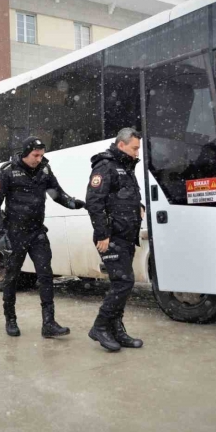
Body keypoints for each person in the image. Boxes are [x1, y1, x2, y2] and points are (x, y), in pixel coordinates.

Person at [0, 136, 85, 337]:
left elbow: (57, 194)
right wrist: (0, 233)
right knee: (12, 278)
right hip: (14, 233)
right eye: (35, 155)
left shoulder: (44, 170)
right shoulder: (7, 172)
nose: (39, 158)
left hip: (37, 232)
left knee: (45, 275)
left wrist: (74, 203)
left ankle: (48, 323)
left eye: (42, 155)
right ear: (25, 153)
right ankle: (11, 319)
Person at [85, 128, 145, 352]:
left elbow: (123, 196)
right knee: (124, 282)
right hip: (111, 237)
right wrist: (102, 234)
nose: (137, 152)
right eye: (135, 148)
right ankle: (100, 327)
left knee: (122, 283)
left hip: (126, 235)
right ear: (121, 145)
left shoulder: (126, 167)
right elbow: (94, 201)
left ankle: (117, 330)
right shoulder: (105, 166)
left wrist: (139, 207)